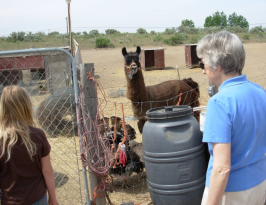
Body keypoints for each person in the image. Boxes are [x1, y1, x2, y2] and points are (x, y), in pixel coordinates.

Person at [197, 31, 266, 205]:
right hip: (259, 184)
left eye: (202, 63)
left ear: (217, 65)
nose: (203, 71)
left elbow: (222, 168)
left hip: (230, 191)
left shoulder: (219, 102)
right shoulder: (260, 92)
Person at [0, 86, 59, 205]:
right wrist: (53, 198)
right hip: (37, 199)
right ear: (26, 107)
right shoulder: (38, 135)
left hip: (10, 200)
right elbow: (47, 171)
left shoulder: (1, 139)